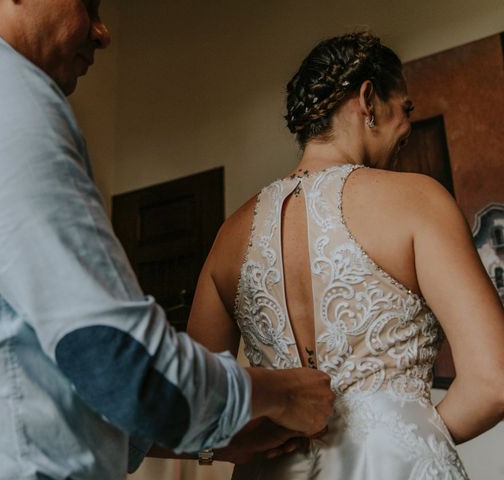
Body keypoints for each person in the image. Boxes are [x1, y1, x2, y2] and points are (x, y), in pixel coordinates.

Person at [0, 1, 336, 479]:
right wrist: (282, 394)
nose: (103, 32)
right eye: (87, 2)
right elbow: (114, 357)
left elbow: (55, 370)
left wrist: (217, 440)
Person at [187, 31, 504, 479]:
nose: (408, 129)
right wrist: (404, 440)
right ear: (368, 99)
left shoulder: (228, 237)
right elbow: (494, 383)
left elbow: (196, 402)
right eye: (406, 110)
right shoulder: (417, 200)